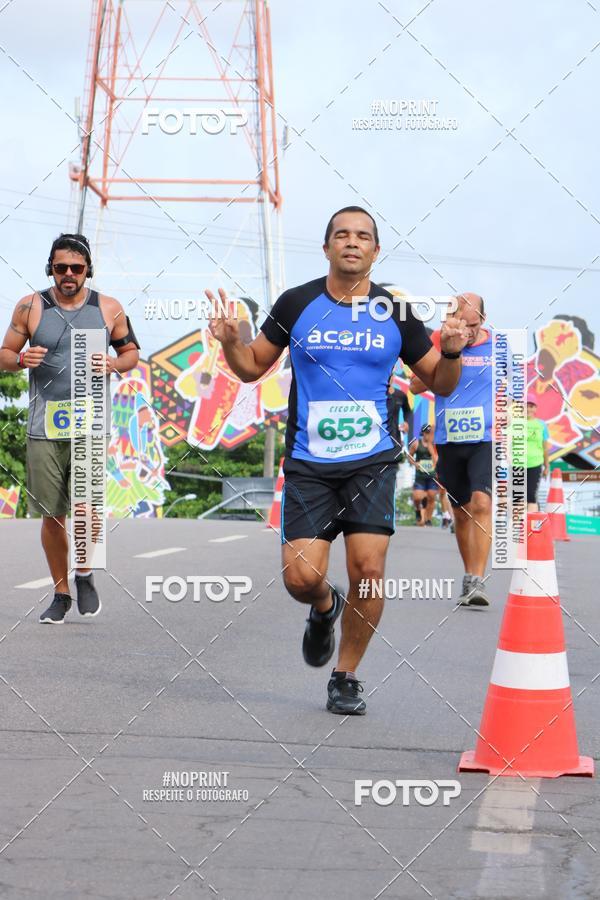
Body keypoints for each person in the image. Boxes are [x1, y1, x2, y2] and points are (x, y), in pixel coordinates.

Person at [206, 205, 469, 714]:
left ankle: (345, 675)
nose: (352, 242)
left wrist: (453, 353)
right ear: (326, 247)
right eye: (342, 235)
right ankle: (325, 607)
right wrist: (232, 343)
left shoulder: (393, 312)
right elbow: (251, 368)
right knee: (301, 578)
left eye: (363, 236)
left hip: (371, 461)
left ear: (375, 250)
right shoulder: (296, 302)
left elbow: (439, 381)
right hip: (308, 461)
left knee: (368, 570)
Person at [0, 234, 140, 623]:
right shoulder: (30, 307)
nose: (68, 275)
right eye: (60, 267)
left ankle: (85, 572)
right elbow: (4, 355)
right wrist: (21, 359)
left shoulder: (109, 308)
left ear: (87, 271)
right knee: (52, 516)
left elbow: (130, 354)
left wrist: (113, 365)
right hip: (44, 425)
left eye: (76, 269)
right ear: (51, 268)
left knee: (87, 506)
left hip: (90, 422)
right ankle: (61, 593)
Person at [410, 293, 492, 606]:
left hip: (486, 438)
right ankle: (468, 573)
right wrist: (448, 352)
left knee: (482, 503)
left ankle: (476, 579)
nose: (467, 331)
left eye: (473, 324)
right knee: (460, 511)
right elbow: (417, 385)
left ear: (483, 320)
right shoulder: (439, 340)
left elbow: (514, 389)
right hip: (449, 439)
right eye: (462, 323)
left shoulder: (499, 346)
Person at [524, 393, 550, 511]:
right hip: (516, 464)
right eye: (526, 405)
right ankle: (518, 527)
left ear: (536, 408)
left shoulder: (542, 425)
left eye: (531, 406)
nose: (529, 408)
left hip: (535, 463)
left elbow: (545, 447)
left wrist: (546, 466)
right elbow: (507, 442)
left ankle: (531, 527)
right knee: (517, 497)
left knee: (531, 496)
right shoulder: (514, 423)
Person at [408, 425, 438, 526]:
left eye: (429, 433)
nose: (427, 435)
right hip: (420, 475)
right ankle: (417, 510)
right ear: (422, 433)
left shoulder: (434, 444)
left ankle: (428, 519)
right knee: (417, 497)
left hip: (432, 475)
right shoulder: (416, 443)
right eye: (426, 432)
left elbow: (438, 457)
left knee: (431, 497)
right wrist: (414, 463)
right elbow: (410, 455)